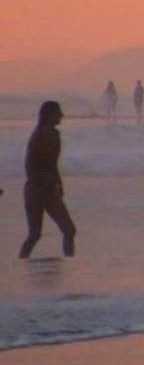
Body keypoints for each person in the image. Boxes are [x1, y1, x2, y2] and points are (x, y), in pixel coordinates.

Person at [19, 100, 77, 259]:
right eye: (57, 112)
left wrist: (59, 182)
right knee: (34, 234)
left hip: (51, 190)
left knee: (69, 230)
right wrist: (39, 184)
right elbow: (29, 163)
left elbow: (52, 162)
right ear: (48, 115)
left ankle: (69, 261)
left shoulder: (55, 134)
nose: (61, 115)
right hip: (35, 190)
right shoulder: (38, 135)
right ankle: (21, 264)